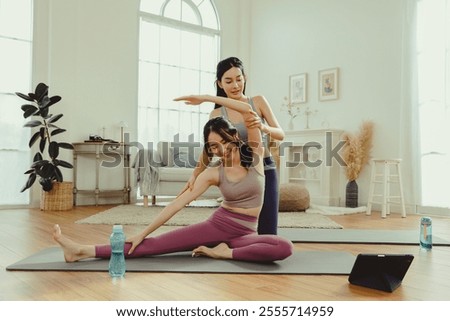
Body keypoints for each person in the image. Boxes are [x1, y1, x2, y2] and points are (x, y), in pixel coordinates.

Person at [52, 95, 293, 263]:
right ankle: (82, 251)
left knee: (284, 247)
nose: (219, 150)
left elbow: (247, 110)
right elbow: (178, 204)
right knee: (153, 246)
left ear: (233, 135)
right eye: (213, 148)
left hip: (245, 235)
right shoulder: (213, 173)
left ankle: (223, 253)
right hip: (217, 225)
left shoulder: (257, 156)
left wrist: (208, 96)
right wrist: (143, 232)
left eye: (222, 143)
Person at [182, 57, 285, 235]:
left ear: (245, 78)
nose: (235, 85)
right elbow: (209, 150)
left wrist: (262, 127)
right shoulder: (216, 113)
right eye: (228, 81)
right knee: (240, 229)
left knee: (268, 231)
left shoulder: (258, 102)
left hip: (264, 168)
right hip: (236, 174)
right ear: (219, 84)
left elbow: (280, 134)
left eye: (239, 79)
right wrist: (195, 174)